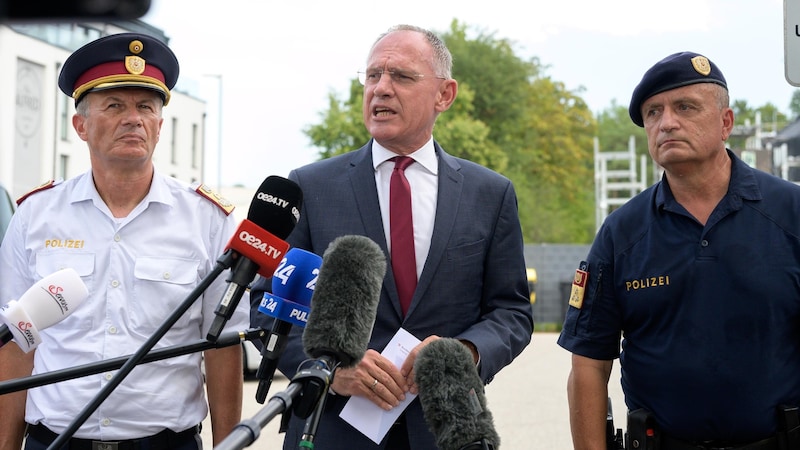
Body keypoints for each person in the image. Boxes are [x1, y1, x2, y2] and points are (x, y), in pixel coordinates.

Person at [249, 24, 533, 449]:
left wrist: (466, 353)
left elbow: (511, 312)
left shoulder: (490, 194)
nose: (380, 89)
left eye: (400, 76)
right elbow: (266, 303)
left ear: (445, 94)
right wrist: (328, 368)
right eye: (372, 76)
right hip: (332, 429)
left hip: (446, 430)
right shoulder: (309, 186)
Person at [0, 33, 249, 450]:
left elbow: (222, 346)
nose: (133, 118)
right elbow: (16, 343)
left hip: (166, 443)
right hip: (57, 441)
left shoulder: (208, 220)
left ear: (159, 125)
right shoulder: (35, 215)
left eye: (145, 107)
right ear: (80, 125)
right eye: (114, 105)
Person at [558, 51, 800, 449]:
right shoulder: (622, 233)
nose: (666, 122)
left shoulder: (790, 214)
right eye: (653, 113)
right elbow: (588, 362)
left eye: (685, 107)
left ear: (726, 123)